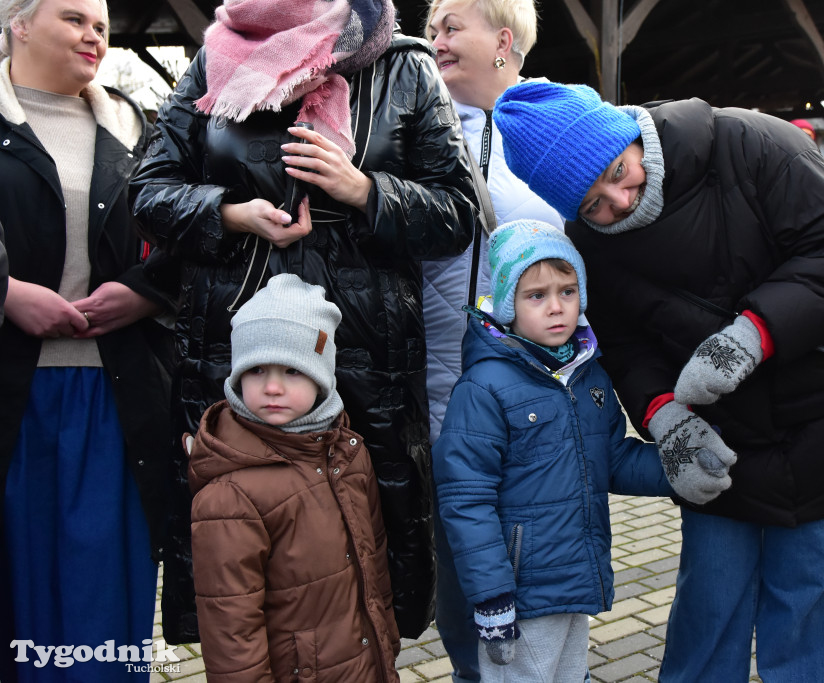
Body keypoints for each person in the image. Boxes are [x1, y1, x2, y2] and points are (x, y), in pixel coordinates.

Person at [493, 81, 824, 682]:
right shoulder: (592, 243)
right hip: (723, 441)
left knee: (810, 619)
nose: (618, 199)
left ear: (630, 134)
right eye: (593, 205)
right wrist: (665, 417)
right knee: (707, 615)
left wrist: (752, 334)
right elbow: (628, 346)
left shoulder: (753, 142)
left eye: (618, 170)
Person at [130, 0, 479, 645]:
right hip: (234, 362)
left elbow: (458, 214)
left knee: (359, 598)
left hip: (363, 372)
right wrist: (231, 214)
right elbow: (147, 191)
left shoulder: (401, 65)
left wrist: (365, 190)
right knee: (243, 594)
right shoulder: (215, 59)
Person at [0, 0, 177, 680]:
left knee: (102, 602)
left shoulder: (140, 128)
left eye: (101, 25)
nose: (94, 35)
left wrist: (145, 290)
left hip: (114, 400)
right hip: (13, 401)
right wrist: (7, 294)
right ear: (18, 21)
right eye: (74, 18)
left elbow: (182, 241)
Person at [433, 219, 677, 681]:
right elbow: (466, 498)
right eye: (536, 296)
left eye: (568, 291)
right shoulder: (484, 387)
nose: (556, 308)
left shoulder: (587, 374)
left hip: (573, 578)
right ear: (509, 304)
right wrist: (491, 595)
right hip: (518, 592)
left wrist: (675, 471)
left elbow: (612, 459)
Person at [421, 1, 562, 679]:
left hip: (541, 417)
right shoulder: (413, 128)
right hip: (444, 413)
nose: (436, 40)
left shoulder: (559, 129)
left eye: (452, 26)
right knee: (465, 607)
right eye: (433, 29)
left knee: (545, 603)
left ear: (503, 39)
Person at [187, 274, 400, 682]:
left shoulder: (348, 455)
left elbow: (375, 575)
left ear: (322, 376)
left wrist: (386, 648)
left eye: (291, 370)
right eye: (255, 370)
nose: (271, 387)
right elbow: (232, 634)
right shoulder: (230, 496)